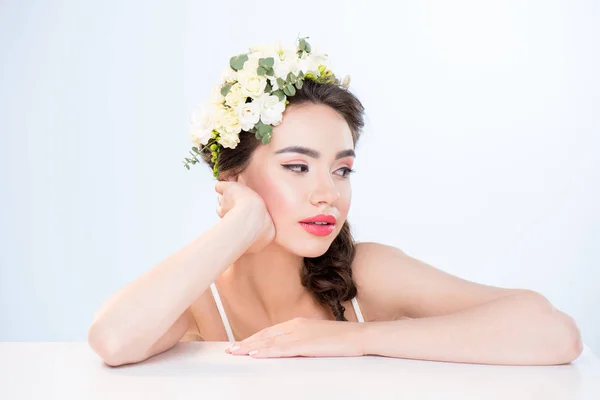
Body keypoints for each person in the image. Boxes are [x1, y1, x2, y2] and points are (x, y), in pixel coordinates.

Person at [88, 37, 583, 367]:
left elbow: (554, 332)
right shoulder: (197, 297)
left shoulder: (365, 273)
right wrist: (241, 224)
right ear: (232, 174)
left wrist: (355, 339)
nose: (328, 193)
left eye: (342, 170)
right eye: (297, 167)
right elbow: (112, 340)